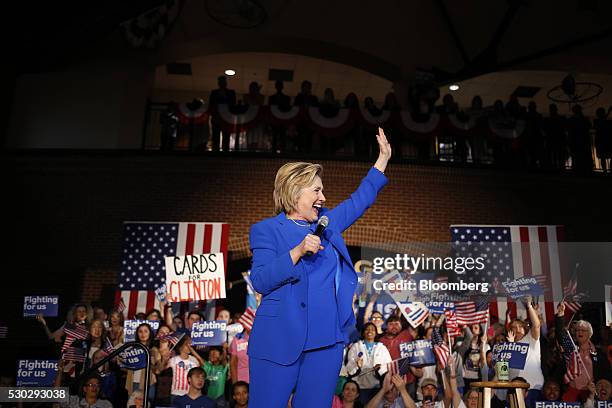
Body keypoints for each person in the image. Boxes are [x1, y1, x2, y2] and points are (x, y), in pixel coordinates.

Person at [247, 128, 392, 408]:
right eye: (316, 190)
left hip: (326, 343)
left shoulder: (327, 224)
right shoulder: (266, 230)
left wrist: (383, 160)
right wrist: (298, 251)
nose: (323, 197)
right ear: (294, 191)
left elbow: (358, 201)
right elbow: (261, 280)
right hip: (277, 340)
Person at [555, 302, 611, 402]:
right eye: (577, 330)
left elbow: (606, 376)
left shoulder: (598, 354)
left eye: (583, 330)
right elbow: (561, 335)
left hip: (592, 394)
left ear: (590, 334)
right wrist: (560, 315)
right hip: (572, 392)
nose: (579, 332)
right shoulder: (571, 349)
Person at [346, 323, 393, 403]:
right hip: (359, 387)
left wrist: (380, 369)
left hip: (376, 387)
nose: (370, 331)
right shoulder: (356, 346)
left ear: (376, 333)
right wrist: (357, 366)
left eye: (372, 329)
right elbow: (349, 366)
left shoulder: (382, 347)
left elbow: (388, 365)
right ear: (363, 332)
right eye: (367, 329)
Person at [165, 335, 206, 403]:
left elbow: (204, 365)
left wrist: (193, 351)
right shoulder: (174, 360)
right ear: (181, 347)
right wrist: (164, 359)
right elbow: (160, 369)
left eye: (190, 344)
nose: (189, 346)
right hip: (176, 393)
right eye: (187, 344)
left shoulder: (194, 360)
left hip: (190, 394)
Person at [209, 75, 237, 151]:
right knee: (215, 137)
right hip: (216, 118)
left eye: (223, 81)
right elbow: (211, 105)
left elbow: (233, 104)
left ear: (226, 83)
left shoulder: (231, 93)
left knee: (226, 137)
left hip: (227, 118)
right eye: (220, 82)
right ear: (218, 83)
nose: (222, 83)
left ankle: (225, 153)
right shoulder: (214, 93)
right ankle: (215, 153)